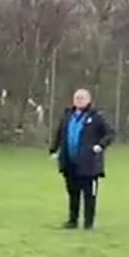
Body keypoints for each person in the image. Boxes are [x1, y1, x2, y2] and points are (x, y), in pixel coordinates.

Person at [49, 88, 116, 230]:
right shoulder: (68, 115)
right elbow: (60, 133)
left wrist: (100, 146)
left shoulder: (97, 116)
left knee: (89, 195)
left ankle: (88, 223)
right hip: (70, 162)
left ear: (88, 100)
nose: (78, 101)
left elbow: (110, 133)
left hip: (89, 164)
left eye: (81, 98)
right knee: (73, 193)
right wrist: (54, 150)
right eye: (76, 98)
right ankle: (72, 220)